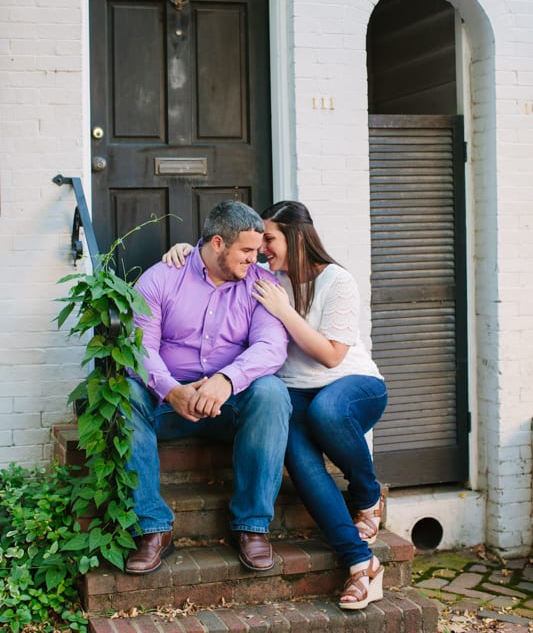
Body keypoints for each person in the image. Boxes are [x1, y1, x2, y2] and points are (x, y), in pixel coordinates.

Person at [163, 200, 387, 610]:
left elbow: (332, 356)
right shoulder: (264, 277)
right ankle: (361, 564)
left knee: (327, 412)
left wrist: (284, 309)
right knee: (300, 460)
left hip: (350, 385)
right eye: (256, 242)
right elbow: (218, 259)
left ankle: (367, 494)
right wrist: (184, 250)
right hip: (295, 395)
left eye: (269, 239)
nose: (260, 248)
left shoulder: (337, 280)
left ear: (296, 237)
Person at [125, 200, 291, 576]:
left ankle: (252, 526)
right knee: (123, 394)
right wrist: (170, 389)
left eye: (258, 250)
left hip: (227, 404)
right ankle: (152, 528)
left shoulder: (261, 284)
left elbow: (271, 347)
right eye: (247, 251)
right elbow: (138, 348)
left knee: (271, 393)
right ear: (217, 243)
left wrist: (226, 380)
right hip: (167, 405)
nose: (256, 258)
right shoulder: (161, 278)